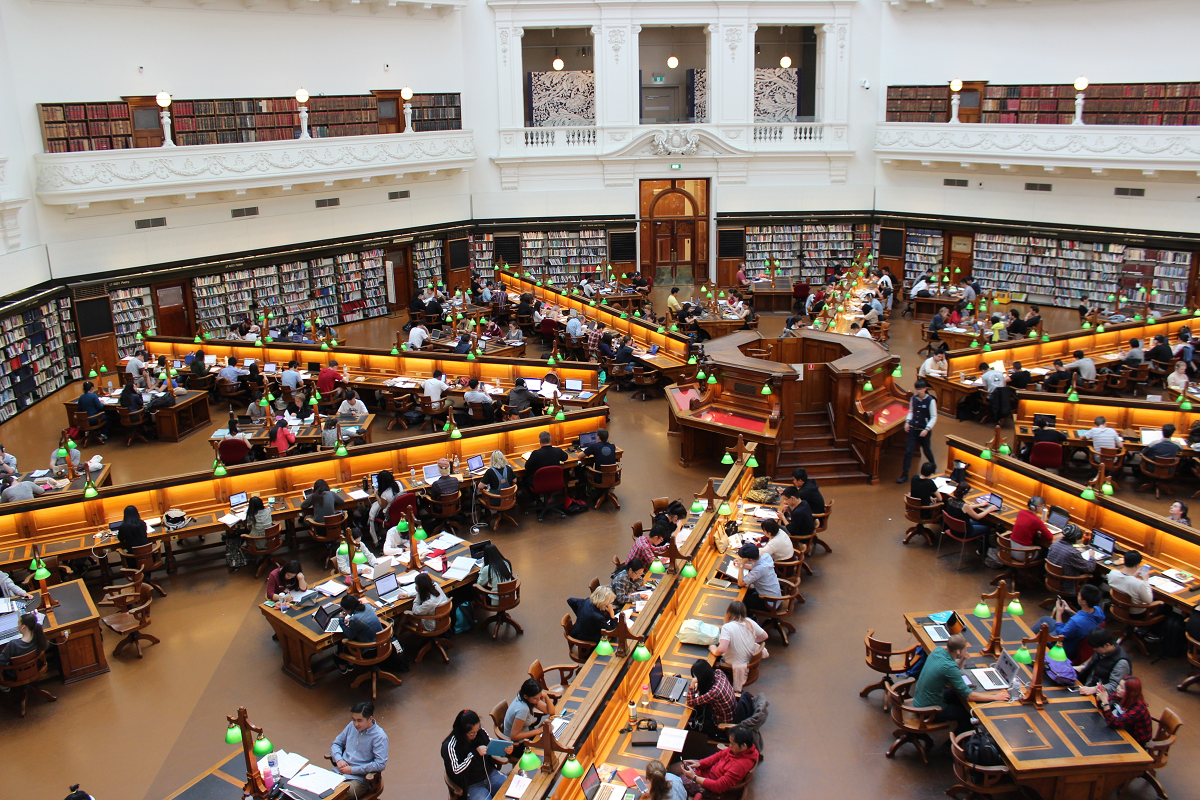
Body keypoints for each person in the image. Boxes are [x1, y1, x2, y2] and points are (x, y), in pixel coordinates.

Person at [911, 634, 1009, 732]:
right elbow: (969, 696)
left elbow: (953, 667)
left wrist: (963, 659)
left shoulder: (938, 651)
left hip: (921, 700)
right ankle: (952, 743)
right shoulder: (949, 667)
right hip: (928, 710)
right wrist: (995, 697)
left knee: (955, 695)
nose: (966, 651)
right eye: (965, 649)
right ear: (959, 651)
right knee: (968, 715)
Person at [442, 709, 507, 800]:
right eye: (472, 733)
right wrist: (474, 754)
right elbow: (456, 772)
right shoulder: (450, 746)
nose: (476, 734)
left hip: (490, 774)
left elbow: (490, 744)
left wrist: (504, 749)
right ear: (462, 732)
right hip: (471, 785)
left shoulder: (479, 731)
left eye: (477, 729)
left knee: (512, 789)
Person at [676, 726, 759, 797]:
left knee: (674, 783)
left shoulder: (739, 766)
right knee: (676, 767)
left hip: (706, 785)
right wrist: (700, 763)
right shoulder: (740, 750)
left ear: (744, 745)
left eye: (732, 744)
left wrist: (694, 777)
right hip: (706, 771)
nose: (730, 746)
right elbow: (719, 755)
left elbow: (718, 786)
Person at [1031, 584, 1106, 661]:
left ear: (1084, 602)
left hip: (1066, 648)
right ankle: (1029, 638)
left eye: (1079, 595)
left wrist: (1059, 612)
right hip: (1078, 636)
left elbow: (1061, 634)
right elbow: (1085, 619)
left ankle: (1029, 643)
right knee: (1045, 619)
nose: (1077, 596)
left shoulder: (1076, 621)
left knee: (1043, 635)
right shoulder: (1098, 610)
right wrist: (1069, 611)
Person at [331, 701, 389, 795]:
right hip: (338, 773)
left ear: (370, 719)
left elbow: (380, 764)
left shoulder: (379, 737)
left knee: (338, 795)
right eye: (354, 719)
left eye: (359, 720)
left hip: (358, 780)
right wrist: (339, 760)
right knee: (317, 789)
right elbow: (337, 744)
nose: (355, 724)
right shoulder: (351, 726)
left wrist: (352, 770)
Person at [710, 601, 767, 692]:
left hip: (733, 663)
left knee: (712, 662)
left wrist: (714, 650)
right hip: (748, 660)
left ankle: (723, 688)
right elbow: (764, 636)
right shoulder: (750, 622)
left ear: (728, 613)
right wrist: (751, 640)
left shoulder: (727, 627)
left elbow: (722, 649)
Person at [897, 378, 937, 483]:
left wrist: (927, 429)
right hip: (913, 430)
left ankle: (933, 467)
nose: (918, 391)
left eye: (920, 389)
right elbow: (911, 411)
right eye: (917, 389)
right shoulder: (913, 399)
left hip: (924, 431)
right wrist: (908, 421)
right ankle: (905, 474)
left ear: (925, 389)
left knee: (927, 450)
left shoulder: (930, 401)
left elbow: (933, 417)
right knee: (908, 452)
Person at [503, 678, 557, 752]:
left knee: (551, 739)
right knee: (550, 748)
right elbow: (514, 736)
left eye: (539, 697)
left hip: (526, 732)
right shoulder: (523, 709)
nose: (538, 700)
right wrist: (540, 730)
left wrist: (546, 696)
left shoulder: (527, 698)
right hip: (517, 745)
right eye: (535, 698)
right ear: (526, 696)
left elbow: (551, 711)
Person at [1097, 677, 1152, 746]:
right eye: (1119, 685)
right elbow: (1101, 706)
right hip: (1123, 730)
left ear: (1130, 692)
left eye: (1122, 688)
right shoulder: (1121, 695)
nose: (1117, 688)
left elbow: (1113, 723)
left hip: (1135, 742)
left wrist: (1105, 702)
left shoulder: (1139, 709)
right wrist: (1100, 696)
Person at [1076, 627, 1131, 696]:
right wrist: (1074, 668)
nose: (1094, 650)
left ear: (1107, 645)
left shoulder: (1122, 663)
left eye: (1096, 648)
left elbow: (1115, 687)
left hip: (1100, 696)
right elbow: (1091, 666)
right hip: (1086, 687)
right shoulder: (1101, 651)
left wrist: (1094, 689)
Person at [943, 482, 995, 554]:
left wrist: (979, 505)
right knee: (987, 528)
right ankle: (982, 550)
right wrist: (989, 510)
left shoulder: (950, 500)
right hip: (964, 532)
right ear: (966, 493)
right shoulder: (964, 506)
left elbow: (965, 508)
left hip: (953, 529)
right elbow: (977, 517)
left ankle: (977, 540)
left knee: (980, 523)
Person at [336, 595, 384, 672]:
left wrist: (341, 620)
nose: (343, 611)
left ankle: (344, 666)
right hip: (382, 644)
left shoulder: (355, 619)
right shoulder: (367, 606)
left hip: (370, 650)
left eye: (344, 610)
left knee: (341, 644)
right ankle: (350, 664)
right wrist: (351, 620)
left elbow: (349, 636)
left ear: (348, 610)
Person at [1045, 523, 1095, 593]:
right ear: (1075, 539)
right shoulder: (1072, 553)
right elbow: (1090, 568)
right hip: (1066, 585)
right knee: (1095, 577)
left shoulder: (1055, 544)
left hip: (1052, 579)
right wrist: (1091, 556)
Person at [736, 543, 781, 613]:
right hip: (775, 595)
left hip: (770, 602)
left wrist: (742, 565)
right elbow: (754, 567)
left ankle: (751, 617)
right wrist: (743, 565)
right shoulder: (766, 556)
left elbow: (741, 583)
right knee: (748, 592)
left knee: (741, 600)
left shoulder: (758, 570)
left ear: (750, 559)